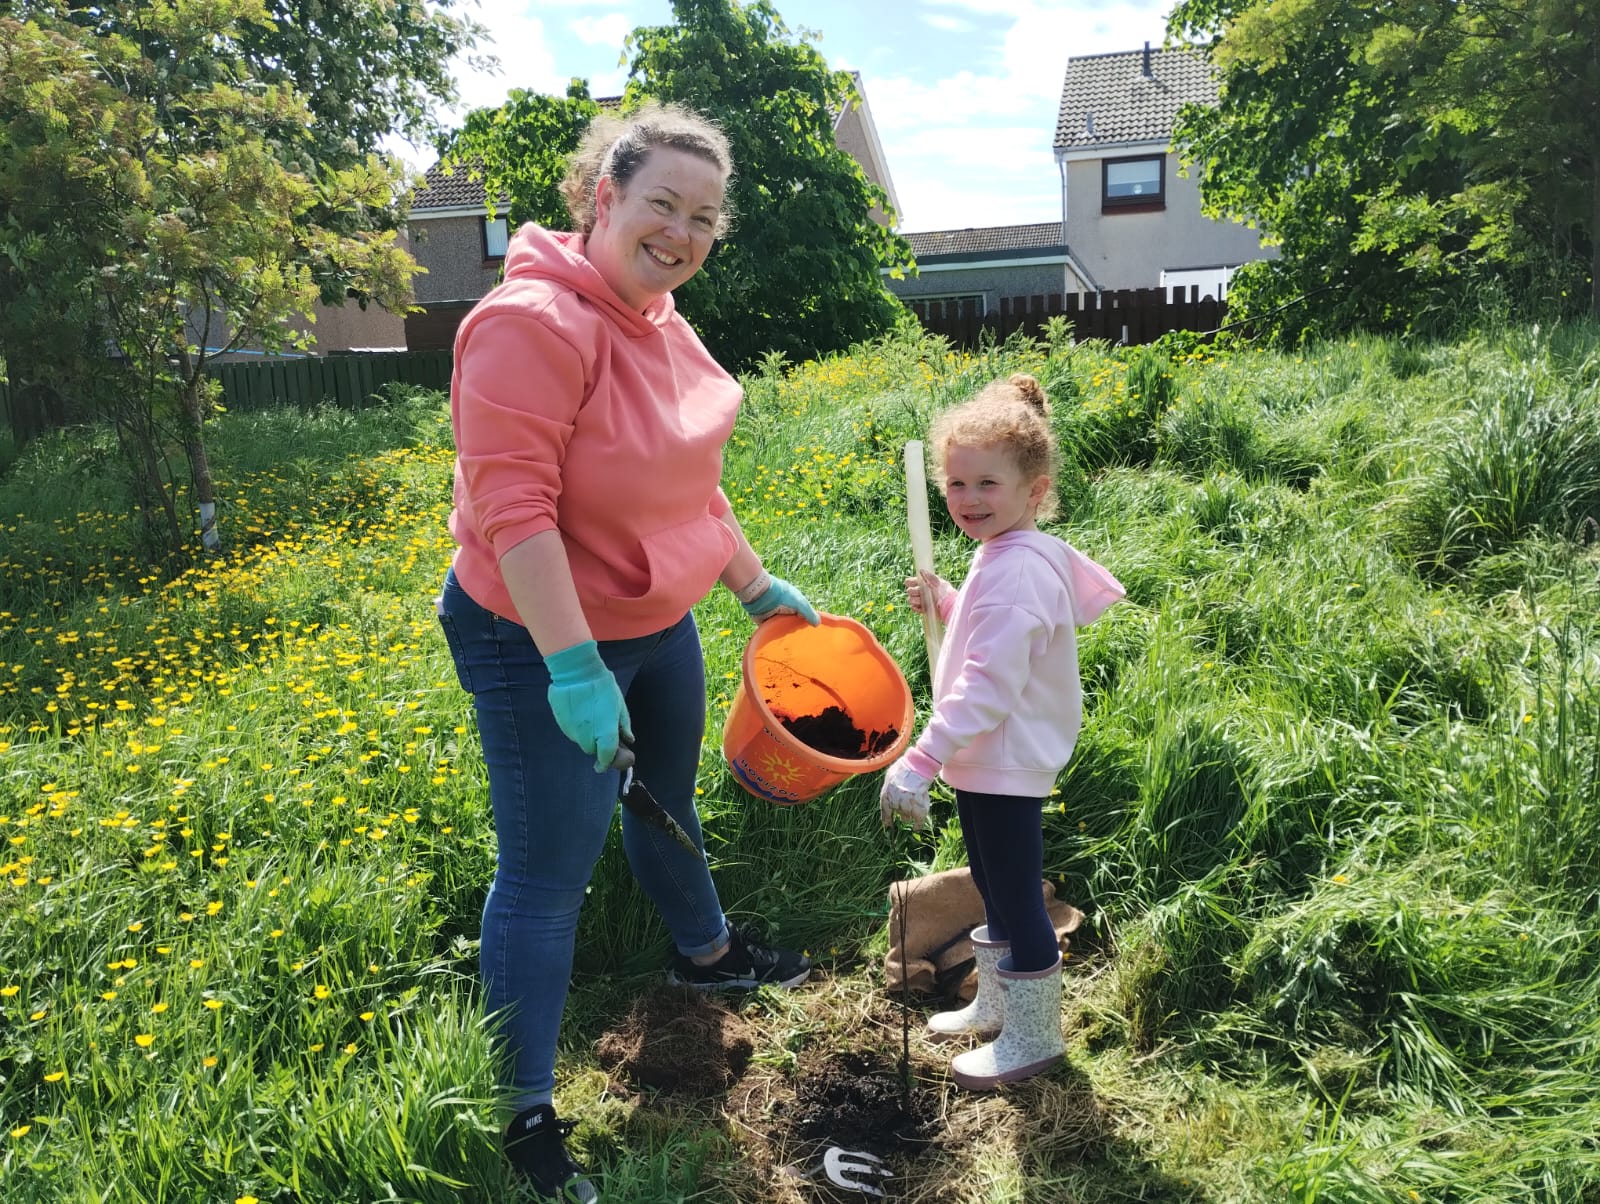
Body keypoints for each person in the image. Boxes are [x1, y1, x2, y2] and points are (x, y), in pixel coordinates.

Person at [435, 101, 816, 1201]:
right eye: (663, 204)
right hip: (534, 634)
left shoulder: (661, 320)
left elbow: (689, 481)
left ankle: (703, 954)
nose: (683, 232)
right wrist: (569, 663)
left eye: (704, 217)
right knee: (548, 875)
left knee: (668, 800)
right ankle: (519, 1108)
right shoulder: (529, 324)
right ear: (605, 197)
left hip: (655, 621)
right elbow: (515, 510)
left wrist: (752, 586)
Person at [880, 372, 1124, 1091]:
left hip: (1005, 757)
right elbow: (989, 637)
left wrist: (922, 758)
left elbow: (989, 683)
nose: (967, 501)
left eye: (987, 484)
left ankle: (1032, 1034)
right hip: (987, 758)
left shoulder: (1018, 570)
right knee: (990, 880)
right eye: (955, 485)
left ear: (1035, 491)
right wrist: (950, 601)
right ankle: (994, 1002)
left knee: (1017, 894)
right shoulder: (1003, 555)